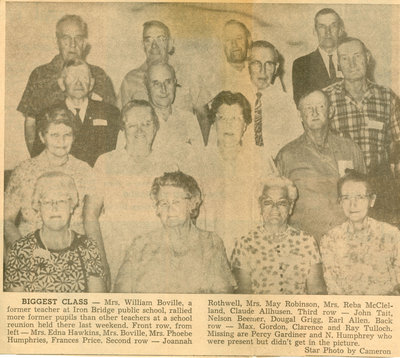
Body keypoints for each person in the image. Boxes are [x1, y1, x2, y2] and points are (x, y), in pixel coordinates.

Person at [84, 100, 201, 290]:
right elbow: (90, 216)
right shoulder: (106, 162)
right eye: (132, 125)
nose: (140, 130)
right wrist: (100, 261)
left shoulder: (168, 164)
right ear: (123, 129)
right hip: (115, 253)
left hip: (157, 257)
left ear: (155, 128)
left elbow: (182, 218)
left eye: (146, 124)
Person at [114, 171, 235, 293]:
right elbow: (120, 296)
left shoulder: (210, 242)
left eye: (176, 202)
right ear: (157, 209)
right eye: (164, 203)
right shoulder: (140, 245)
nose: (170, 209)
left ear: (192, 204)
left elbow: (223, 297)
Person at [324, 37, 400, 221]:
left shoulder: (386, 97)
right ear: (338, 64)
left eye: (357, 56)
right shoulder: (326, 98)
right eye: (344, 58)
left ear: (367, 57)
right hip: (341, 185)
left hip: (380, 185)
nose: (351, 64)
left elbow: (398, 144)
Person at [18, 15, 116, 155]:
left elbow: (112, 120)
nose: (73, 44)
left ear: (84, 42)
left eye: (78, 38)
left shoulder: (98, 75)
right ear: (56, 41)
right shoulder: (40, 75)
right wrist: (38, 159)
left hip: (93, 160)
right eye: (66, 38)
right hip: (53, 158)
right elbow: (30, 123)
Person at [276, 89, 366, 241]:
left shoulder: (350, 149)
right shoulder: (287, 155)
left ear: (331, 111)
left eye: (320, 107)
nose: (315, 112)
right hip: (305, 245)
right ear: (300, 115)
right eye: (308, 108)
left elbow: (365, 196)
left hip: (347, 242)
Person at [4, 107, 93, 254]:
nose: (61, 141)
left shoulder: (85, 171)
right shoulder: (23, 170)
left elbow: (92, 222)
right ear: (42, 137)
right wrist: (24, 252)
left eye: (67, 135)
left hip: (73, 253)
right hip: (30, 252)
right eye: (54, 135)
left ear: (74, 137)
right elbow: (6, 221)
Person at [198, 91, 276, 256]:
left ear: (245, 125)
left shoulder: (260, 160)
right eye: (222, 118)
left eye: (235, 119)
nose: (228, 125)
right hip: (211, 251)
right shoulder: (200, 162)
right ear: (213, 123)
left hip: (255, 249)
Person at [4, 172, 105, 292]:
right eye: (47, 202)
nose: (54, 208)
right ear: (38, 207)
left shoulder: (88, 248)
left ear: (72, 206)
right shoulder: (21, 250)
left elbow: (97, 302)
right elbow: (14, 306)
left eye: (61, 201)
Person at [231, 176, 326, 294]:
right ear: (260, 207)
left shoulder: (307, 241)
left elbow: (317, 291)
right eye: (268, 202)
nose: (274, 208)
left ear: (290, 207)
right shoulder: (244, 244)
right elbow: (244, 294)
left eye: (282, 203)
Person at [320, 170, 400, 295]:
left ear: (372, 200)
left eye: (359, 197)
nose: (353, 204)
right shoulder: (330, 240)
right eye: (346, 198)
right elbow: (333, 288)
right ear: (340, 202)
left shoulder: (391, 235)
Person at [32, 59, 120, 166]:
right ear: (62, 83)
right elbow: (37, 156)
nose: (78, 82)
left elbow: (117, 154)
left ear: (91, 83)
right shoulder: (47, 115)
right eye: (72, 77)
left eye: (83, 77)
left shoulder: (109, 112)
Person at [244, 41, 302, 156]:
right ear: (248, 65)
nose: (263, 70)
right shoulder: (236, 97)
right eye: (256, 63)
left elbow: (297, 143)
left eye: (269, 64)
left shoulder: (285, 102)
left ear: (276, 68)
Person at [145, 62, 204, 151]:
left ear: (175, 83)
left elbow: (200, 158)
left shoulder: (188, 119)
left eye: (168, 82)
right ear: (147, 86)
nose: (163, 89)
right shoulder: (137, 121)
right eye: (156, 84)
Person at [292, 8, 345, 106]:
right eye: (322, 27)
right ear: (315, 32)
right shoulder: (301, 64)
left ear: (340, 30)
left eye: (333, 26)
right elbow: (301, 104)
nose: (327, 32)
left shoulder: (352, 60)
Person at [119, 20, 175, 107]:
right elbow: (123, 117)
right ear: (143, 45)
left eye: (160, 39)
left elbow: (202, 114)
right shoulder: (130, 80)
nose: (154, 46)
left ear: (170, 43)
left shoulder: (187, 75)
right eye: (148, 40)